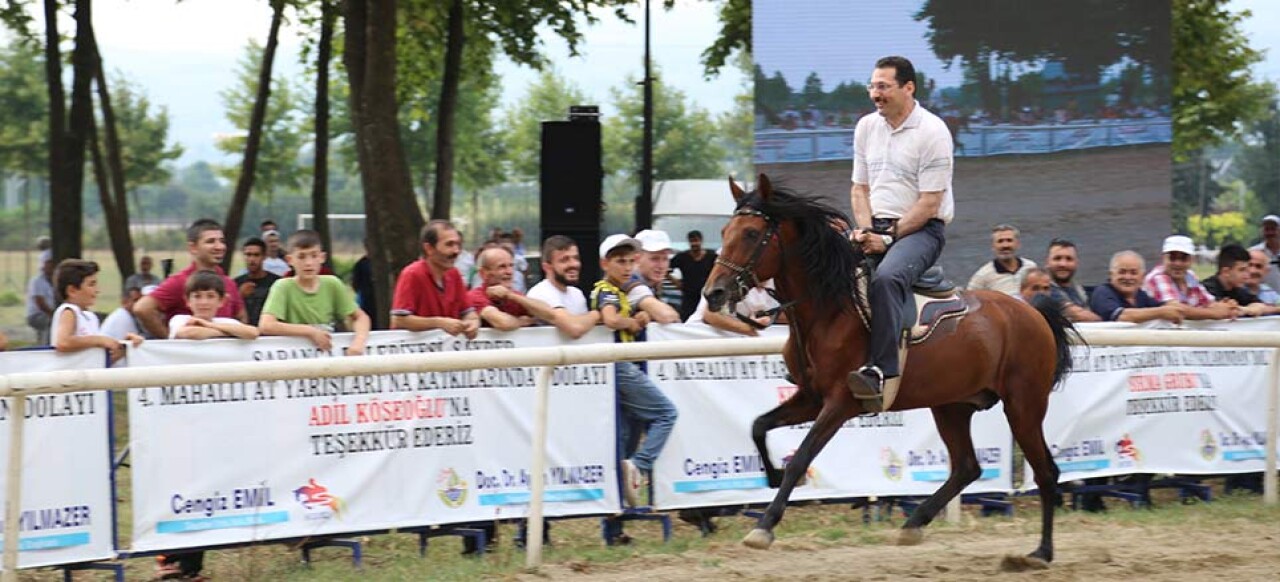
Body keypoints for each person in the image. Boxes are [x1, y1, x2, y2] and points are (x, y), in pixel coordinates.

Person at [846, 55, 954, 408]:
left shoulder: (934, 131)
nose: (875, 94)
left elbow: (928, 203)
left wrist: (888, 238)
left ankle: (880, 371)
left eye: (883, 87)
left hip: (922, 230)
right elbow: (858, 190)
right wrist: (864, 230)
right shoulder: (865, 127)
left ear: (909, 88)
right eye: (872, 86)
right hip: (874, 225)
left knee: (888, 279)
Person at [591, 234, 678, 509]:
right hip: (620, 364)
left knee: (625, 435)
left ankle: (619, 500)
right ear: (605, 263)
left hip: (621, 364)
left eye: (630, 261)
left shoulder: (619, 291)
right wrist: (632, 321)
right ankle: (639, 466)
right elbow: (610, 319)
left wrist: (637, 318)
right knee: (666, 413)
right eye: (621, 262)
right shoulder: (607, 290)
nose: (627, 267)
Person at [258, 230, 371, 354]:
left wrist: (358, 343)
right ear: (290, 260)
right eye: (301, 257)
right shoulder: (283, 286)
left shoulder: (332, 284)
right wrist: (310, 331)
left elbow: (360, 317)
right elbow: (266, 325)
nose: (308, 263)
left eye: (314, 256)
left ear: (322, 257)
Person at [133, 219, 247, 338]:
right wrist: (168, 340)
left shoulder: (228, 282)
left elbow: (241, 317)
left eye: (222, 241)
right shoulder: (179, 281)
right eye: (210, 241)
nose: (219, 247)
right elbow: (142, 308)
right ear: (193, 247)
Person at [390, 220, 481, 338]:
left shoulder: (454, 274)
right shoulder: (412, 274)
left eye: (458, 244)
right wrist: (439, 323)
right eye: (449, 244)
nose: (456, 251)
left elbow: (468, 311)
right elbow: (399, 319)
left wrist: (473, 322)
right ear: (429, 248)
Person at [50, 260, 143, 364]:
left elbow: (100, 362)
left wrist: (124, 347)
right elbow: (63, 342)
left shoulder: (91, 318)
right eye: (91, 284)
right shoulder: (69, 311)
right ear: (72, 290)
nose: (97, 290)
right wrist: (99, 340)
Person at [521, 235, 602, 339]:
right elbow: (574, 329)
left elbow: (583, 327)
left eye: (576, 258)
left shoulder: (577, 293)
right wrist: (596, 315)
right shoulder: (540, 292)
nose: (574, 264)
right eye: (564, 260)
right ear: (547, 267)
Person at [1142, 235, 1237, 320]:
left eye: (1183, 258)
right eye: (1172, 258)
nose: (1177, 263)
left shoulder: (1190, 275)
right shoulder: (1157, 277)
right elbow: (1177, 310)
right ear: (1163, 258)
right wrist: (1215, 313)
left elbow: (1208, 302)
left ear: (1192, 260)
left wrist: (1227, 307)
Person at [1090, 251, 1185, 323]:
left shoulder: (1141, 295)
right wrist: (1162, 312)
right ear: (1111, 274)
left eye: (1133, 273)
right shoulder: (1103, 292)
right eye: (1122, 272)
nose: (1127, 277)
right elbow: (1122, 317)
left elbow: (1164, 308)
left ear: (1142, 277)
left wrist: (1174, 307)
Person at [171, 272, 262, 340]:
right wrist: (233, 333)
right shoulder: (180, 319)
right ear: (187, 301)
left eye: (210, 296)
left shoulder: (226, 322)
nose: (204, 302)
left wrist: (208, 324)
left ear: (221, 301)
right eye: (197, 296)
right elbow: (189, 333)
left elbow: (253, 332)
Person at [467, 245, 535, 330]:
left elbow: (548, 314)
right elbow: (503, 323)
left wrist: (511, 295)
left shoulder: (514, 296)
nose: (509, 272)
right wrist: (521, 321)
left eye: (511, 266)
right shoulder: (474, 296)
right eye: (502, 267)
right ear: (484, 273)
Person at [1202, 244, 1280, 316]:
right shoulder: (1205, 290)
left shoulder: (1237, 290)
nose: (1247, 275)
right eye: (1242, 270)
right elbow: (1225, 310)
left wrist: (1250, 309)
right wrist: (1248, 309)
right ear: (1226, 272)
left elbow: (1260, 305)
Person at [967, 224, 1037, 296]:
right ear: (993, 246)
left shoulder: (1030, 267)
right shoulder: (982, 276)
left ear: (1017, 244)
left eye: (1009, 240)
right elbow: (969, 301)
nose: (1005, 245)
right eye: (1000, 241)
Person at [1044, 238, 1101, 322]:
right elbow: (1078, 315)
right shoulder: (1044, 290)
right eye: (1057, 258)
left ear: (1076, 263)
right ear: (1047, 262)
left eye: (1069, 259)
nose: (1063, 264)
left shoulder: (1081, 291)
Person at [670, 230, 718, 320]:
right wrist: (676, 283)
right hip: (688, 298)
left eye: (696, 240)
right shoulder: (682, 257)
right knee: (686, 320)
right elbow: (666, 269)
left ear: (701, 241)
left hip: (706, 296)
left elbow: (719, 271)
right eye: (692, 241)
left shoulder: (712, 256)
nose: (694, 244)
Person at [633, 230, 683, 315]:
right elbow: (666, 316)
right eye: (654, 258)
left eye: (665, 259)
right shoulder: (630, 283)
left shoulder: (652, 285)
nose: (661, 266)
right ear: (637, 259)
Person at [235, 237, 281, 326]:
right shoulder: (236, 283)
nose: (252, 259)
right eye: (248, 255)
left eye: (256, 255)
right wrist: (240, 295)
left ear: (264, 256)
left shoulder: (277, 282)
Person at [25, 254, 56, 345]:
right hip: (36, 315)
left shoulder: (56, 280)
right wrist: (54, 314)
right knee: (51, 322)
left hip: (49, 313)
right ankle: (45, 347)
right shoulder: (36, 281)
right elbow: (40, 303)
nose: (51, 265)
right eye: (48, 262)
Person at [1250, 214, 1280, 292]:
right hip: (1264, 299)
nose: (1270, 233)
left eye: (1273, 229)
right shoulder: (1253, 253)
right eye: (1267, 229)